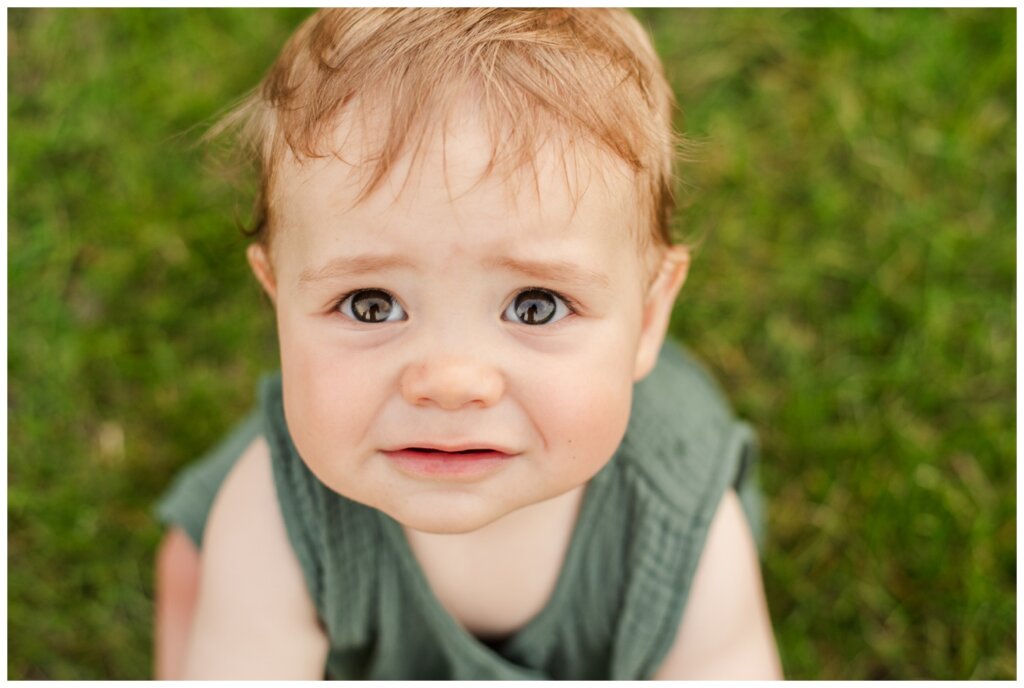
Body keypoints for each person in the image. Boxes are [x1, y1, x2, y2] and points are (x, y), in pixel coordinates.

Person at [154, 8, 783, 679]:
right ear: (278, 297)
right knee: (195, 566)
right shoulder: (275, 517)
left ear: (650, 316)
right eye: (372, 305)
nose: (450, 379)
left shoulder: (681, 524)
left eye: (535, 306)